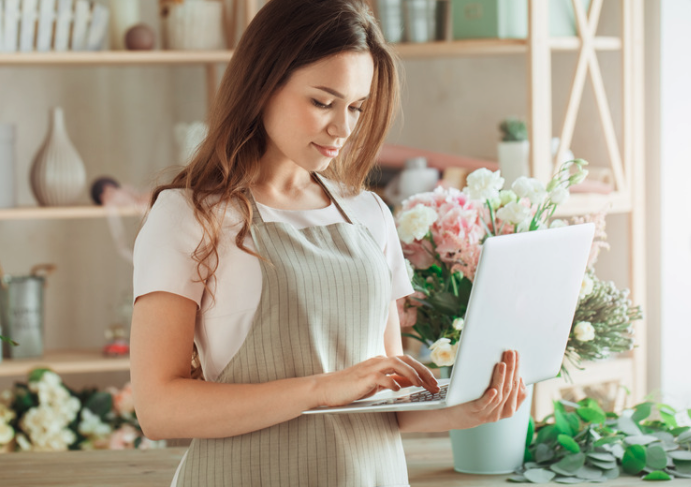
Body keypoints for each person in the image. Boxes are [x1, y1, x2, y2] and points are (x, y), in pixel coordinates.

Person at [130, 0, 528, 485]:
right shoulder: (190, 216)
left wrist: (465, 410)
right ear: (263, 84)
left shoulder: (368, 214)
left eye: (356, 107)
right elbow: (158, 409)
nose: (343, 128)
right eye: (323, 102)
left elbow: (383, 405)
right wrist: (321, 389)